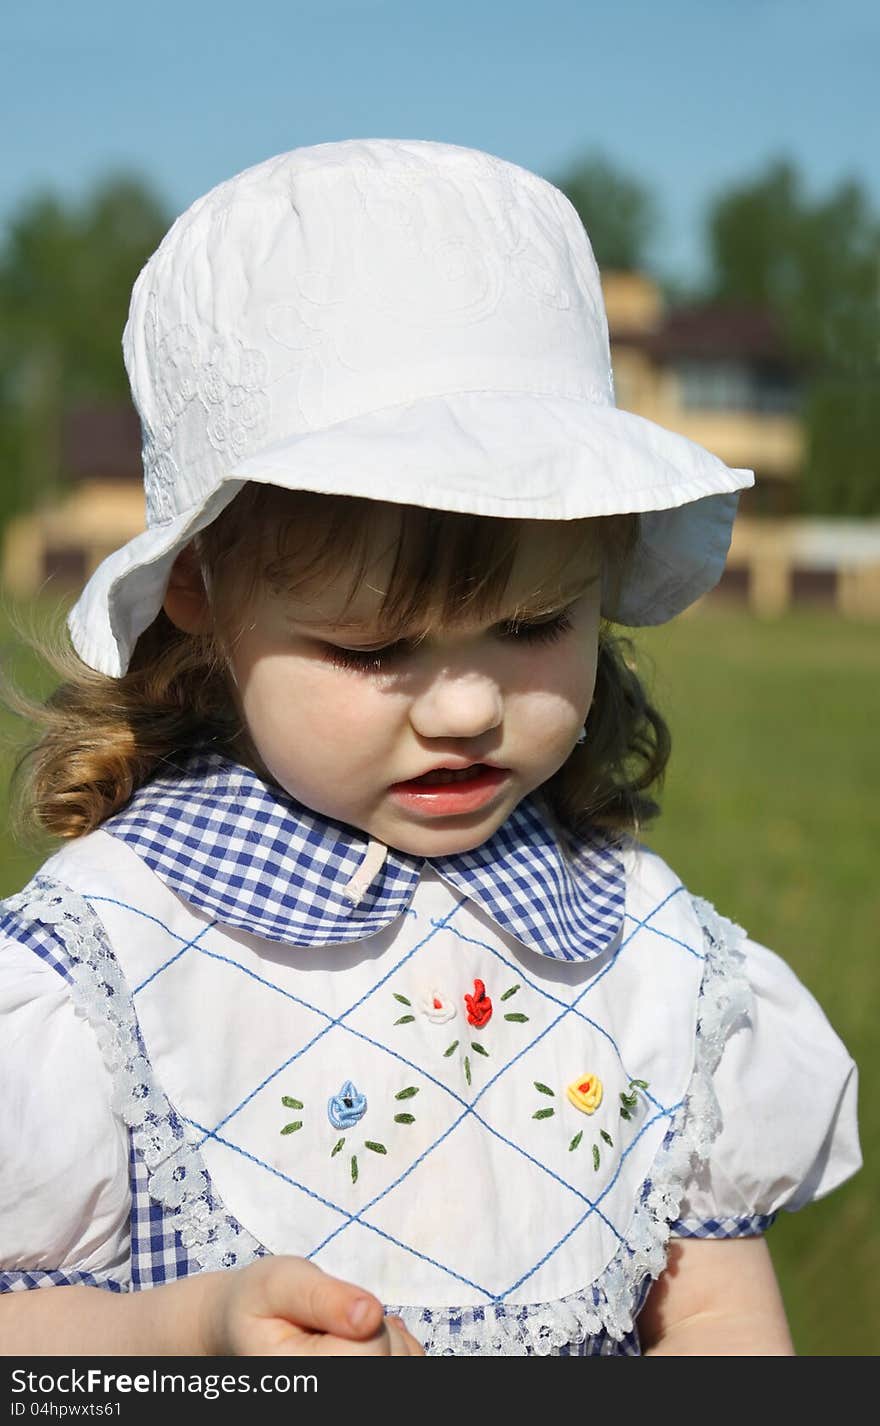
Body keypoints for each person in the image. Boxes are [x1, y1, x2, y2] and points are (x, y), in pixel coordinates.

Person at [0, 139, 860, 1358]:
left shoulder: (647, 958)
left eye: (530, 625)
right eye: (372, 646)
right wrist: (188, 1332)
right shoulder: (108, 968)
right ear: (199, 591)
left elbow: (715, 1312)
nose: (464, 708)